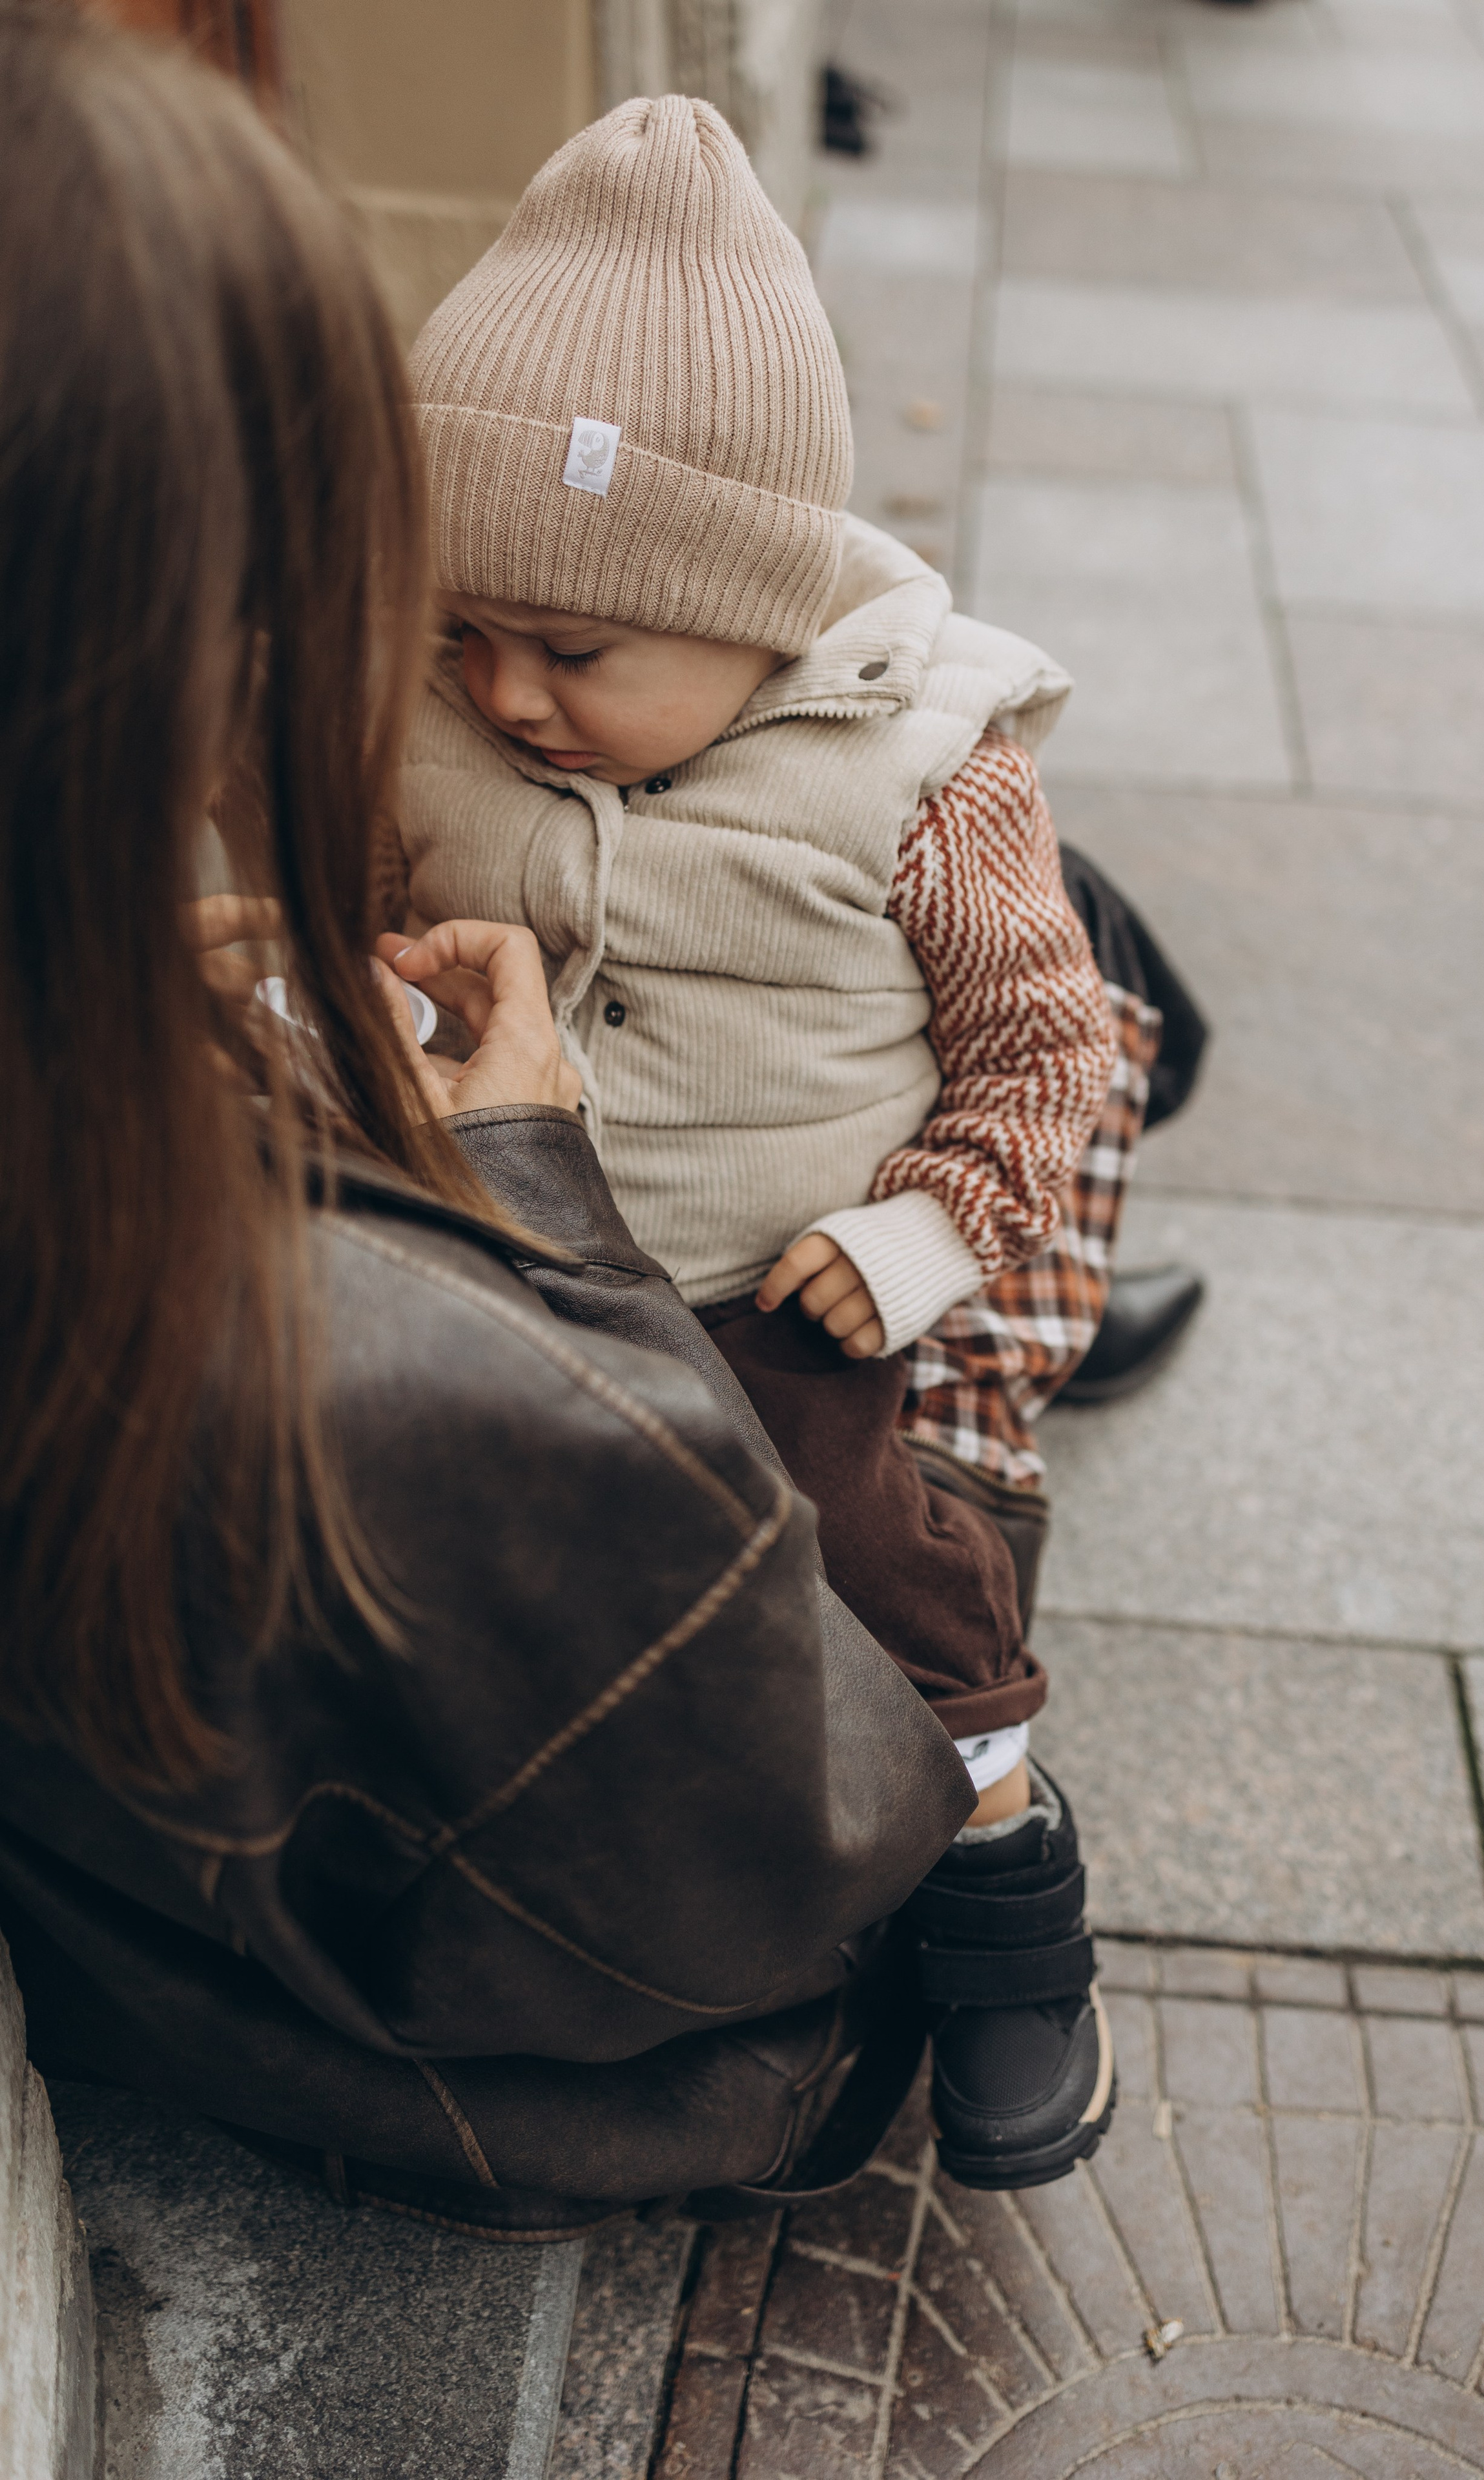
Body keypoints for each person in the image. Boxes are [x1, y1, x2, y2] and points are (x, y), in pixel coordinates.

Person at [0, 3, 996, 2232]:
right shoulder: (402, 1385)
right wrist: (540, 1200)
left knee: (1011, 918)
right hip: (661, 2078)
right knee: (936, 1567)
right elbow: (779, 1850)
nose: (453, 695)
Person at [393, 98, 1125, 2186]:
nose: (504, 693)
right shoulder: (438, 717)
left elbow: (1041, 1048)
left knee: (877, 1584)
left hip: (776, 1288)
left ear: (757, 608)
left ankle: (1005, 1909)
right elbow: (350, 898)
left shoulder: (920, 777)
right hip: (502, 1266)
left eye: (576, 651)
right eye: (467, 629)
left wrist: (919, 1239)